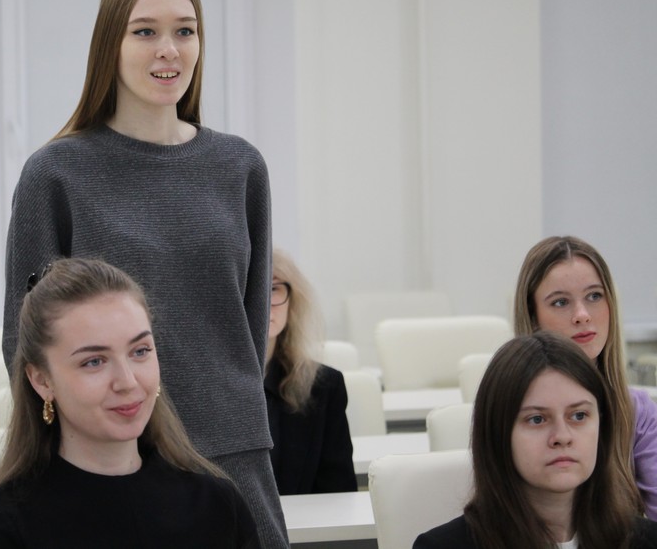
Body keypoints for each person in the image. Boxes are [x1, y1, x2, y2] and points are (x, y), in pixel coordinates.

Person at [1, 0, 285, 547]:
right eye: (145, 31)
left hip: (232, 452)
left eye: (185, 30)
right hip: (111, 459)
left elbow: (250, 329)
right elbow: (23, 344)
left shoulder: (240, 167)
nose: (169, 50)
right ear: (111, 43)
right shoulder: (55, 174)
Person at [0, 257, 260, 548]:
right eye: (94, 362)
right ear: (42, 381)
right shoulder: (4, 529)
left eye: (140, 351)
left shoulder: (218, 508)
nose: (128, 381)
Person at [415, 332, 657, 548]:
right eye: (537, 419)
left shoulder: (646, 540)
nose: (562, 437)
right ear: (498, 433)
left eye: (579, 416)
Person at [513, 235, 657, 519]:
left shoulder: (638, 412)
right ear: (533, 316)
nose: (582, 315)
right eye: (560, 302)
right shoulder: (506, 406)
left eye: (594, 296)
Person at [264, 248, 356, 494]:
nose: (264, 303)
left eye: (273, 289)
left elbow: (338, 492)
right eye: (251, 288)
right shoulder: (203, 389)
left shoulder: (324, 386)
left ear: (292, 300)